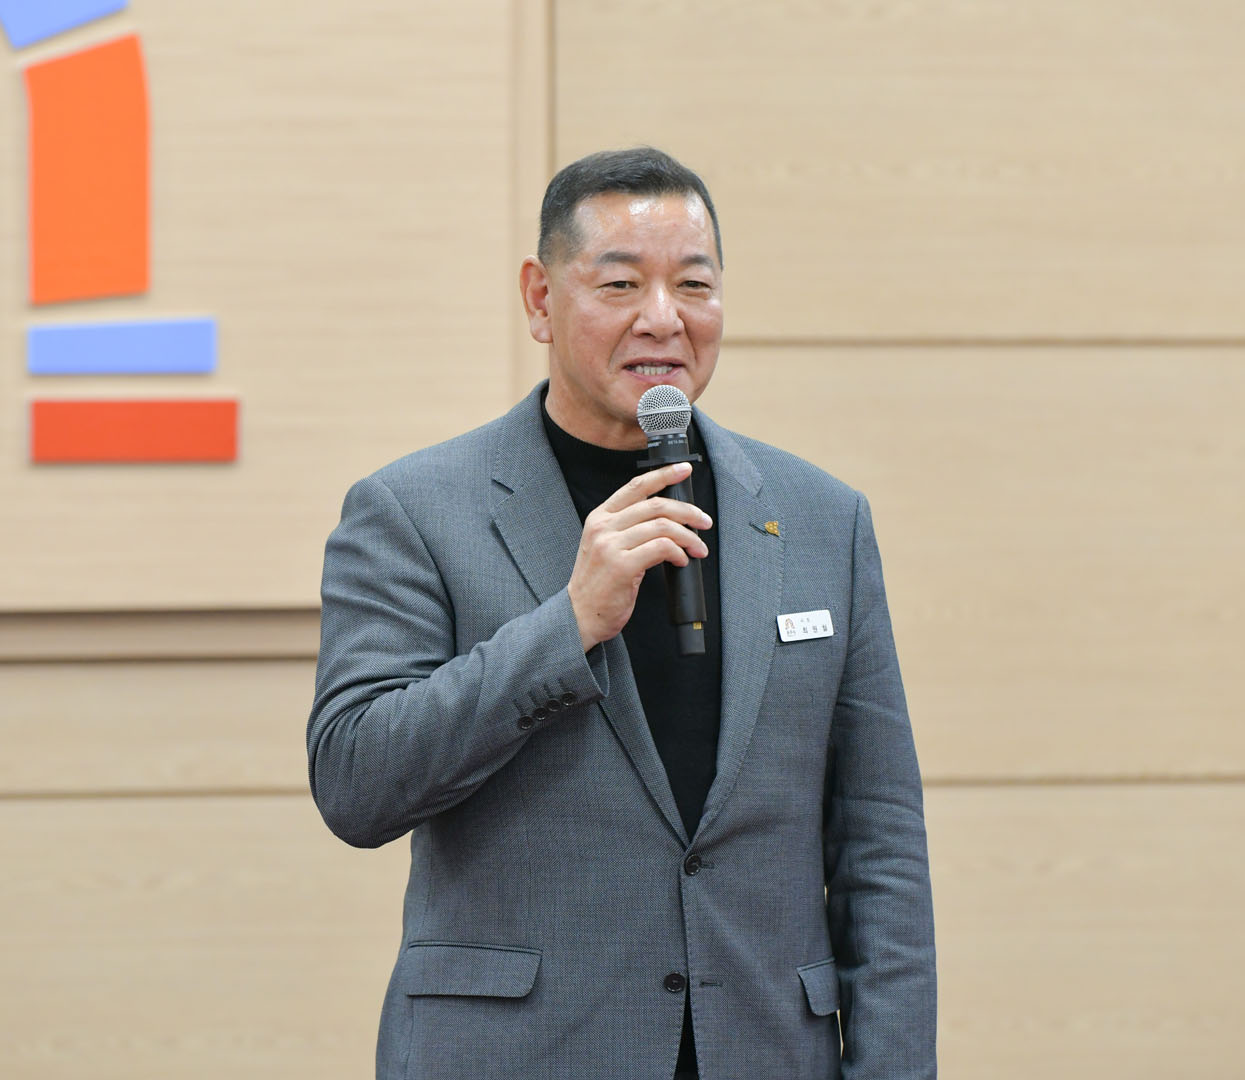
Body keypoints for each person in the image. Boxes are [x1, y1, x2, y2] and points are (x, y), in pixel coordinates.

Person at [307, 147, 936, 1080]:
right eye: (621, 284)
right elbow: (356, 783)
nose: (664, 318)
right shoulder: (414, 511)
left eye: (694, 284)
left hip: (764, 1049)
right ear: (540, 299)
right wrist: (566, 627)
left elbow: (881, 846)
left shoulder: (821, 519)